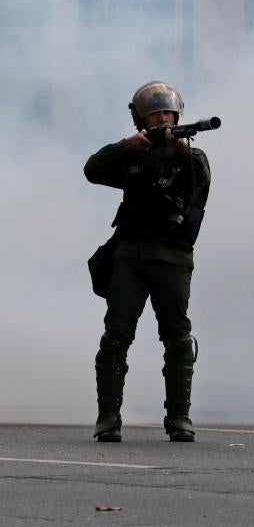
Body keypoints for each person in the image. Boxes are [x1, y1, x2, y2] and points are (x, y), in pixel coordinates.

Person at [85, 81, 211, 443]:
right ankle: (108, 418)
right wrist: (128, 146)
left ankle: (179, 418)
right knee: (116, 336)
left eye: (167, 113)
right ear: (141, 119)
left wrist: (181, 149)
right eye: (154, 114)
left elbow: (199, 178)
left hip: (171, 259)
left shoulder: (193, 158)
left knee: (177, 338)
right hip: (130, 257)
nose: (162, 119)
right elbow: (93, 170)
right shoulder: (132, 155)